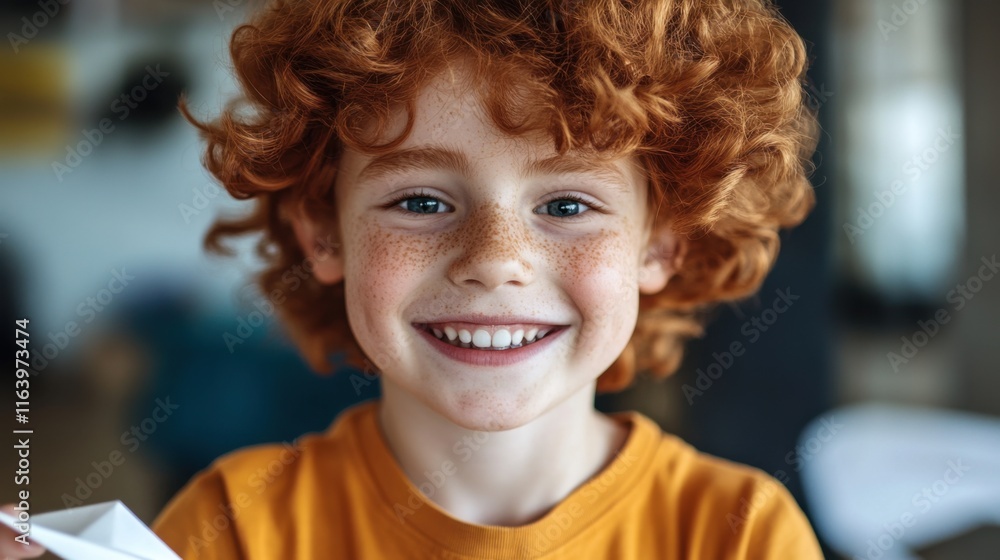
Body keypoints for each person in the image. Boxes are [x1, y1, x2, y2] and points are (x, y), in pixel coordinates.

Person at [1, 0, 823, 557]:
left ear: (663, 245)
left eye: (568, 204)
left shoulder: (740, 533)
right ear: (323, 234)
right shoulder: (236, 526)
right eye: (422, 199)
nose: (495, 257)